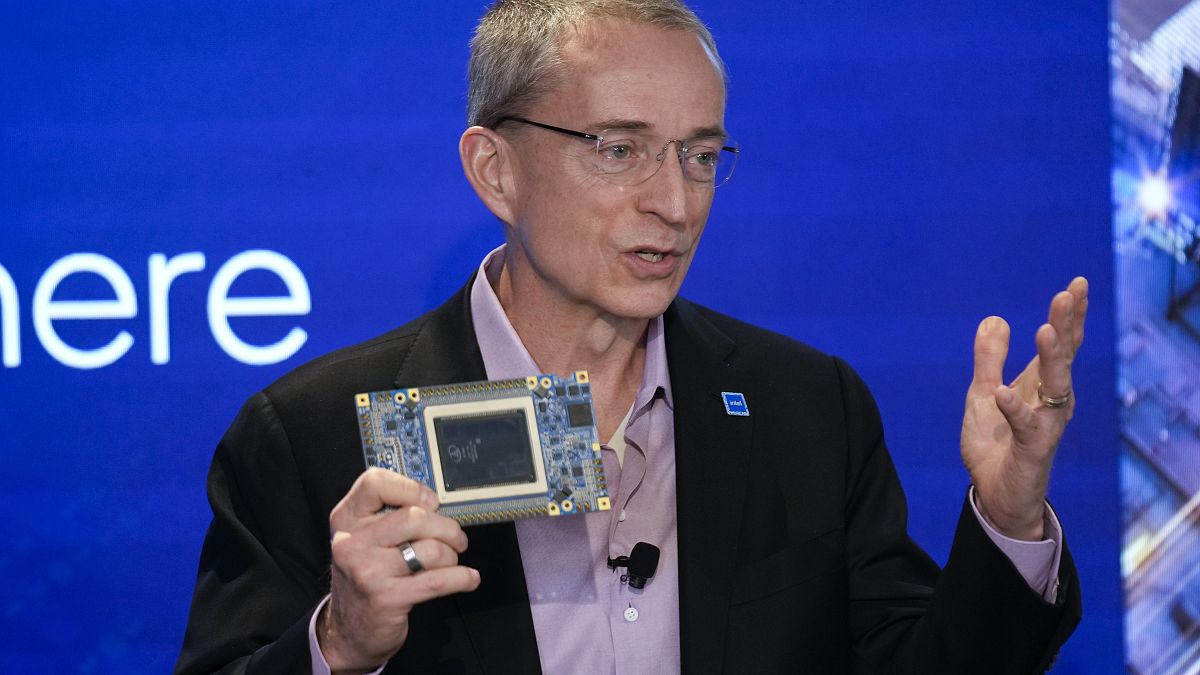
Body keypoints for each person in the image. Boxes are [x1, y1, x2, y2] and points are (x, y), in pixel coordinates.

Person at [175, 1, 1084, 673]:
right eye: (618, 148)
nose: (675, 203)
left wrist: (1008, 521)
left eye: (699, 155)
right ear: (495, 172)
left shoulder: (809, 406)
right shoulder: (313, 432)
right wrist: (339, 645)